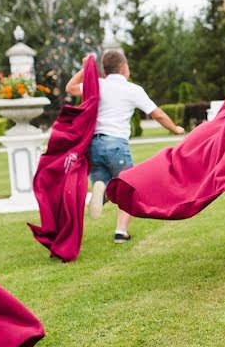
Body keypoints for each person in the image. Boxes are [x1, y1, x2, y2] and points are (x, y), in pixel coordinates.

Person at [66, 49, 184, 243]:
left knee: (106, 187)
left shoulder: (97, 85)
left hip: (93, 145)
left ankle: (99, 194)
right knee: (127, 186)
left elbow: (70, 88)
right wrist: (175, 129)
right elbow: (158, 114)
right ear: (124, 68)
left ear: (105, 70)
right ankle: (121, 231)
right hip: (116, 144)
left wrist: (85, 67)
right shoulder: (132, 89)